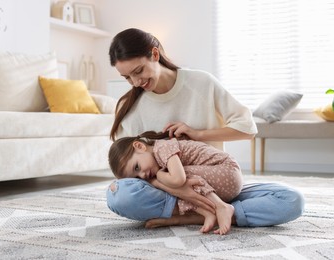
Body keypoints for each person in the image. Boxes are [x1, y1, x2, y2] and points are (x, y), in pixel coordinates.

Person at [106, 28, 304, 229]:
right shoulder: (128, 108)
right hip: (168, 193)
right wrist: (179, 188)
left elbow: (247, 129)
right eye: (128, 78)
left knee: (291, 200)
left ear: (155, 54)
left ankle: (196, 215)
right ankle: (216, 210)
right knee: (118, 196)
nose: (136, 82)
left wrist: (198, 134)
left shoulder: (201, 83)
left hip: (218, 183)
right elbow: (129, 175)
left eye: (138, 71)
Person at [109, 130, 244, 235]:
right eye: (137, 177)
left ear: (139, 146)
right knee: (172, 188)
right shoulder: (157, 159)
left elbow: (179, 179)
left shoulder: (162, 148)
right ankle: (207, 212)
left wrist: (159, 177)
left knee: (176, 180)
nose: (143, 176)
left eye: (137, 167)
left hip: (227, 171)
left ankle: (222, 207)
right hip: (223, 183)